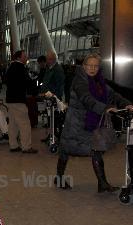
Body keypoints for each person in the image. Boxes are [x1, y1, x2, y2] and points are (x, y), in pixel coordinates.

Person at [57, 53, 133, 192]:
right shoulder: (79, 81)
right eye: (89, 65)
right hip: (76, 123)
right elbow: (87, 99)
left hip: (91, 122)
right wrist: (105, 108)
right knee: (66, 150)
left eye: (96, 66)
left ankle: (102, 183)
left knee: (95, 150)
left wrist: (126, 103)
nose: (92, 68)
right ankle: (59, 178)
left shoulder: (99, 81)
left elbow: (113, 94)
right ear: (84, 66)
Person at [6, 50, 38, 153]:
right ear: (19, 58)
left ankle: (13, 145)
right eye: (25, 56)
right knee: (25, 123)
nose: (27, 58)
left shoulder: (10, 67)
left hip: (10, 99)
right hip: (18, 99)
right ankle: (26, 146)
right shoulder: (20, 68)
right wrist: (34, 84)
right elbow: (27, 82)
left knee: (13, 124)